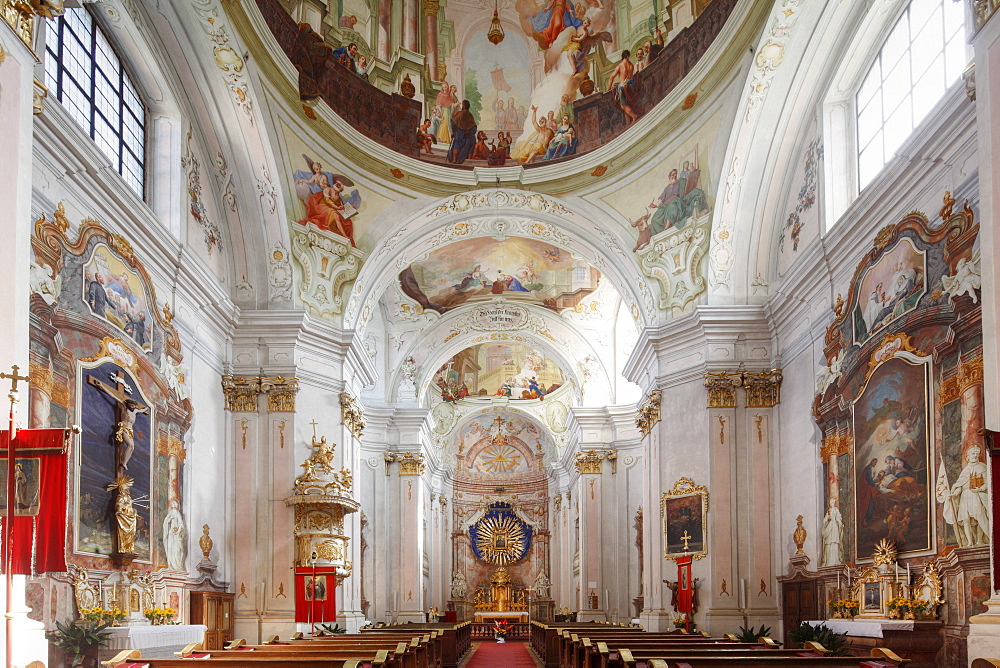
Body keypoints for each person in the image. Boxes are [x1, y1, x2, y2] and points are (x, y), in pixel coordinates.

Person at [950, 445, 989, 546]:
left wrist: (981, 489)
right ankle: (970, 542)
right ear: (968, 456)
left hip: (976, 495)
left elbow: (988, 482)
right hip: (965, 496)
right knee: (965, 519)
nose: (975, 455)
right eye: (973, 453)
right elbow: (959, 485)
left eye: (977, 454)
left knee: (980, 516)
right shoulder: (965, 470)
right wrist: (954, 495)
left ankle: (980, 540)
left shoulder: (982, 467)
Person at [607, 50, 641, 126]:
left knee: (623, 105)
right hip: (630, 87)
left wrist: (608, 89)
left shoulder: (620, 66)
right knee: (627, 104)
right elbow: (630, 77)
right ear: (627, 56)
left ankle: (634, 116)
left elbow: (611, 77)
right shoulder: (631, 65)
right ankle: (628, 123)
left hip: (622, 87)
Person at [448, 100, 478, 164]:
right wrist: (469, 132)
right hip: (466, 134)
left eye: (462, 105)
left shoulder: (459, 113)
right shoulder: (470, 115)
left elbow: (453, 122)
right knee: (464, 147)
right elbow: (474, 126)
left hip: (459, 133)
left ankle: (454, 159)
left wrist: (453, 131)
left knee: (456, 146)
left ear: (464, 106)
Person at [162, 499, 186, 571]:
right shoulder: (170, 513)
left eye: (174, 504)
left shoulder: (177, 513)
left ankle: (177, 566)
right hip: (170, 533)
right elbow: (166, 522)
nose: (172, 505)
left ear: (176, 505)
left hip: (175, 534)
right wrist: (169, 520)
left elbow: (181, 524)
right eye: (172, 504)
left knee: (176, 548)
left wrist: (178, 530)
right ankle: (171, 565)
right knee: (169, 547)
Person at [821, 498, 842, 566]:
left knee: (834, 542)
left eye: (833, 502)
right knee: (828, 543)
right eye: (830, 502)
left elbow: (838, 518)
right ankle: (828, 561)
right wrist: (827, 520)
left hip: (834, 527)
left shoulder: (836, 510)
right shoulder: (828, 511)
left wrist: (840, 523)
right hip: (829, 527)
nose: (831, 503)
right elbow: (825, 520)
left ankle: (834, 560)